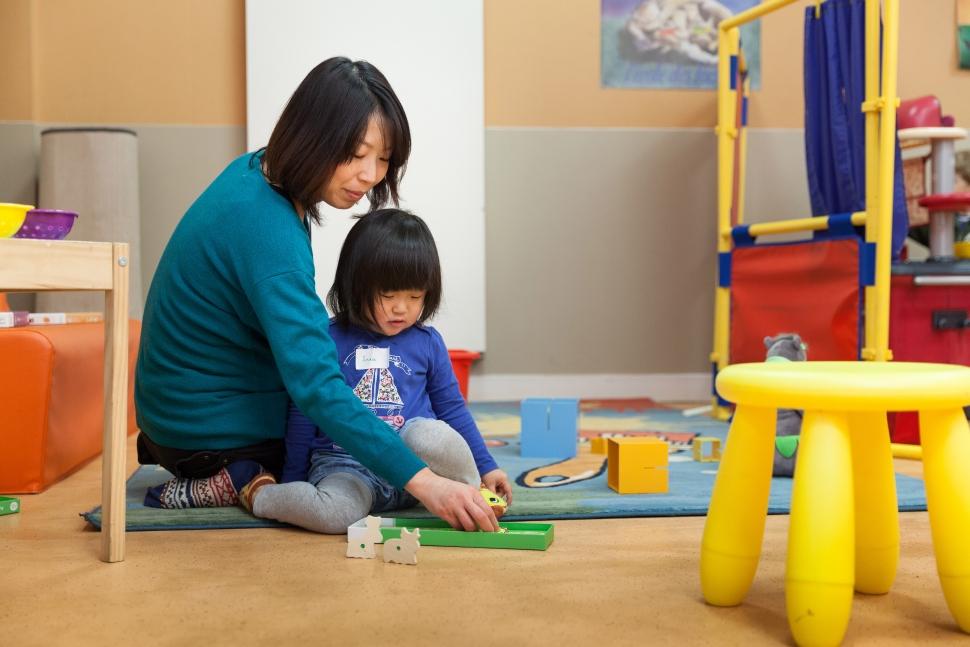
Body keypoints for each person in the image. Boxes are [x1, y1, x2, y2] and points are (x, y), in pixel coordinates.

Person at [134, 57, 499, 532]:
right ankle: (240, 479)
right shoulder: (268, 230)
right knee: (332, 459)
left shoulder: (259, 174)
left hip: (180, 416)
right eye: (356, 152)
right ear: (312, 135)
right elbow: (316, 386)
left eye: (384, 157)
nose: (371, 174)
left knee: (357, 439)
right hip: (205, 431)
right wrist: (426, 484)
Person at [242, 209, 512, 533]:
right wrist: (294, 480)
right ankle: (257, 492)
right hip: (347, 467)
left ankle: (472, 498)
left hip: (417, 472)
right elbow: (304, 414)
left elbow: (452, 409)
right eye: (388, 295)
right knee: (335, 515)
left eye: (415, 296)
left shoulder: (428, 342)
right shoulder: (326, 339)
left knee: (427, 433)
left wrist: (486, 468)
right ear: (356, 286)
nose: (402, 308)